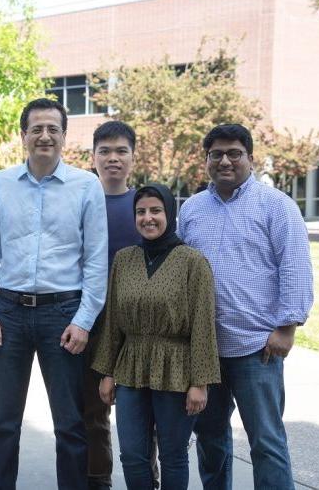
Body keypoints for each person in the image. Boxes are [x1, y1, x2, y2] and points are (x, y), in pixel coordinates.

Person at [0, 97, 108, 490]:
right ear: (24, 136)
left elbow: (96, 261)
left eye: (53, 129)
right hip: (9, 313)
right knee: (4, 423)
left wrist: (83, 320)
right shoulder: (0, 185)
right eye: (37, 129)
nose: (45, 136)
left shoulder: (86, 186)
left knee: (69, 423)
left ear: (64, 137)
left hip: (63, 314)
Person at [178, 124, 313, 490]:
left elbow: (295, 265)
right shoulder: (192, 210)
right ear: (206, 160)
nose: (225, 160)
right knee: (210, 440)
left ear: (249, 158)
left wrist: (287, 327)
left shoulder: (277, 206)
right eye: (216, 154)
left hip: (258, 348)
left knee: (266, 442)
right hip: (206, 350)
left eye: (234, 153)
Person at [92, 183, 220, 489]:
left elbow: (204, 324)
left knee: (173, 455)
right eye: (141, 212)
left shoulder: (193, 262)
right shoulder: (124, 259)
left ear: (170, 214)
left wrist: (199, 383)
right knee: (133, 455)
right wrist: (107, 372)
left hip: (176, 367)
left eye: (155, 210)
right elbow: (112, 320)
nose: (148, 218)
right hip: (130, 367)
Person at [85, 120, 143, 490]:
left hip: (138, 325)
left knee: (142, 412)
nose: (113, 158)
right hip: (90, 319)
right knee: (93, 410)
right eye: (105, 151)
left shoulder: (146, 205)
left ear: (133, 158)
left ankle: (145, 478)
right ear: (93, 158)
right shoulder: (80, 199)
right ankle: (98, 480)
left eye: (121, 151)